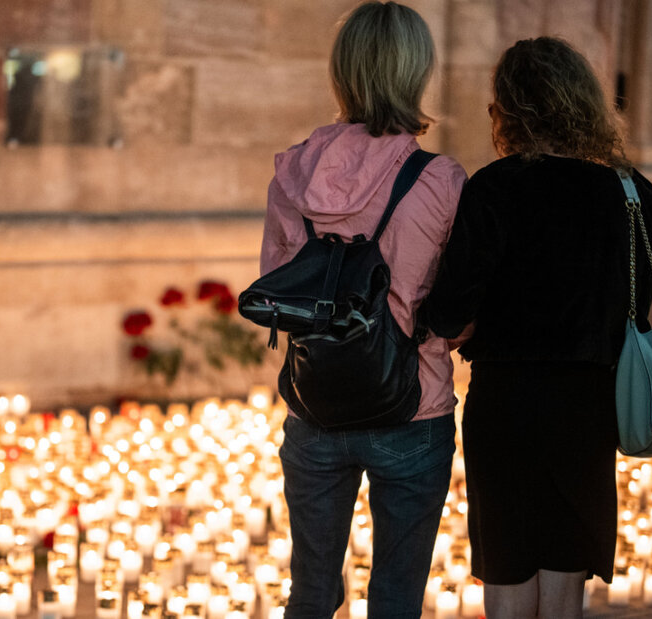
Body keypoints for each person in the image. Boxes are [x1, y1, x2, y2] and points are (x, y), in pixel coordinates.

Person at [421, 37, 652, 618]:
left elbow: (448, 311)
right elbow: (635, 309)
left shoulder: (494, 188)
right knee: (564, 589)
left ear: (507, 109)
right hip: (587, 405)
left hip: (505, 404)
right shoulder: (632, 194)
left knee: (507, 574)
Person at [260, 2, 467, 616]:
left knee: (312, 595)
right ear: (417, 72)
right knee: (397, 601)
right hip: (413, 407)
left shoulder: (293, 172)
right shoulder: (440, 180)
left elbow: (277, 288)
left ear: (342, 72)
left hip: (314, 402)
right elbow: (457, 307)